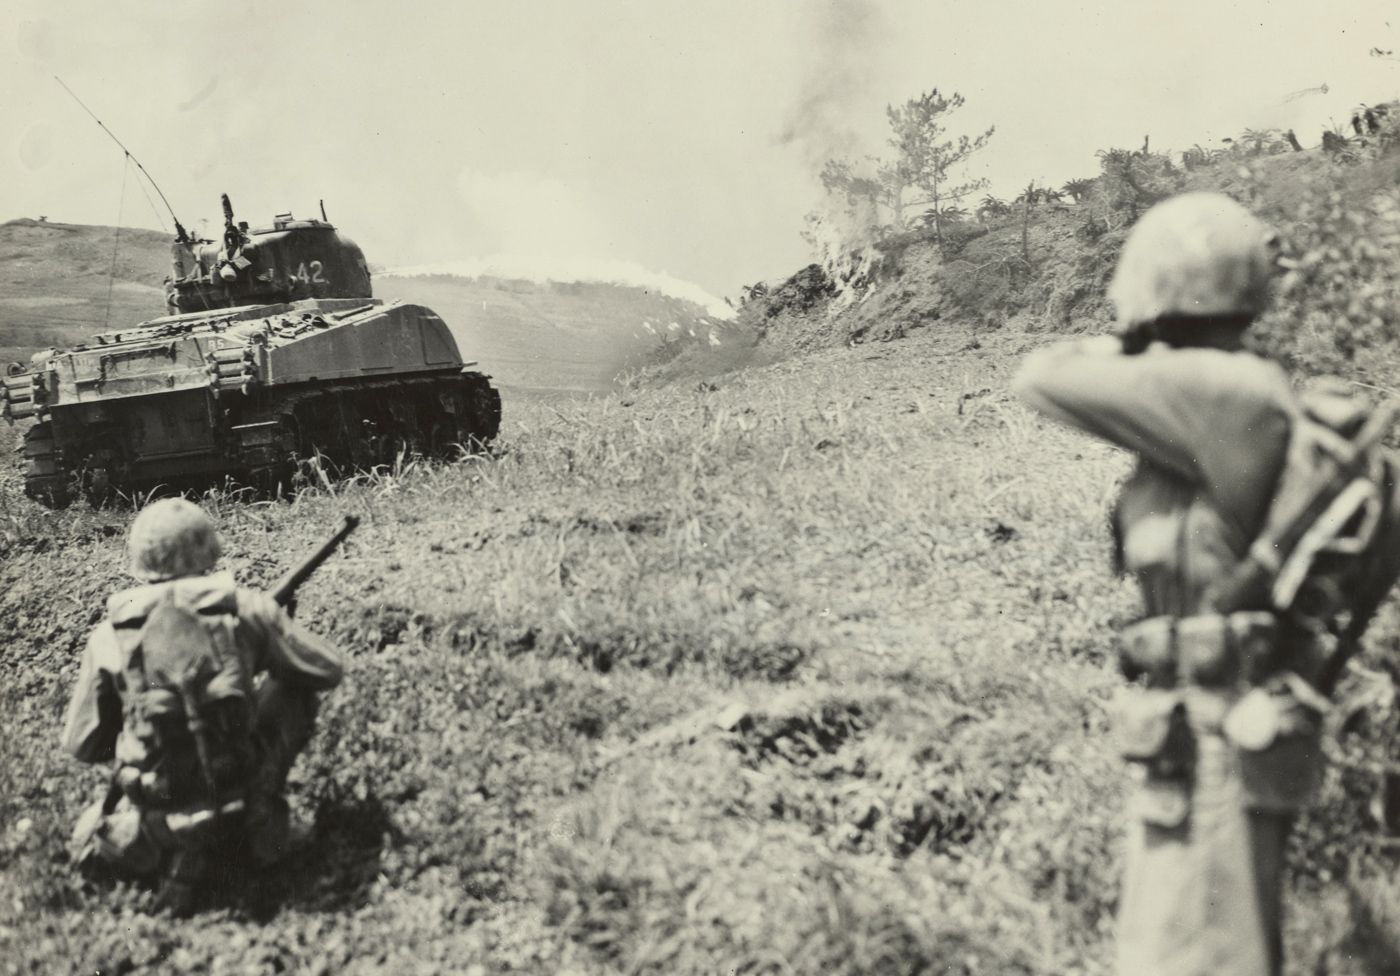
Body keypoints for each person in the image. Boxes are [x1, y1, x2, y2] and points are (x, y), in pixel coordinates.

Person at [1012, 192, 1400, 976]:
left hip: (1218, 721)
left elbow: (1042, 376)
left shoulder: (1221, 393)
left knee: (1201, 953)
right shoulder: (1219, 394)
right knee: (1180, 942)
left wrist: (1127, 339)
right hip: (1191, 722)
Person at [62, 498, 344, 915]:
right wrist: (262, 641)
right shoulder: (246, 609)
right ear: (209, 549)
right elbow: (327, 669)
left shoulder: (108, 636)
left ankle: (167, 845)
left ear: (140, 558)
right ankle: (261, 813)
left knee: (88, 829)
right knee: (294, 689)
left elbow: (81, 744)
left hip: (152, 824)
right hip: (240, 808)